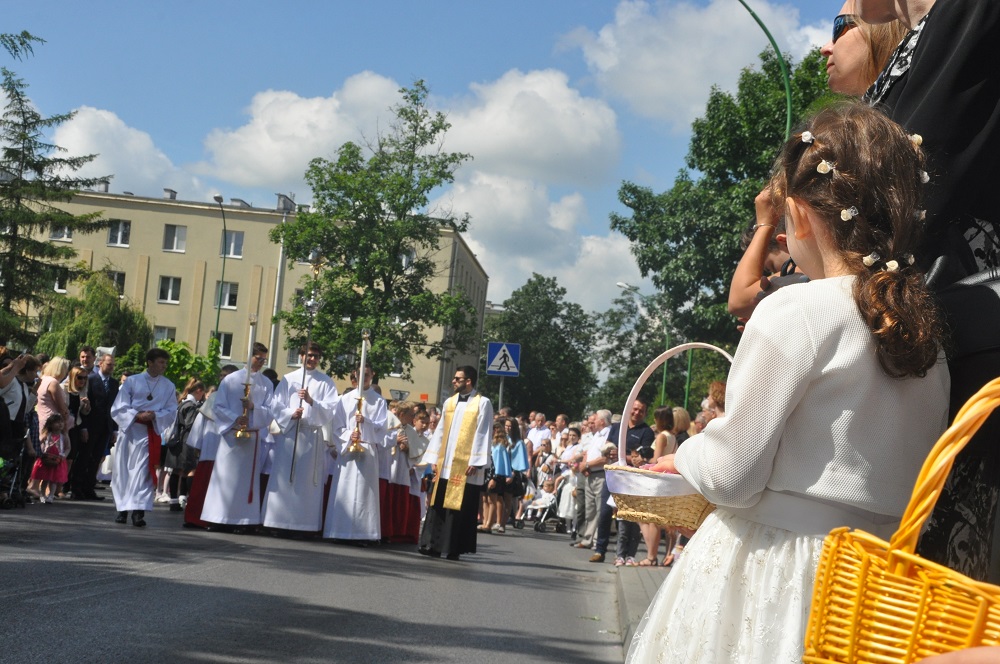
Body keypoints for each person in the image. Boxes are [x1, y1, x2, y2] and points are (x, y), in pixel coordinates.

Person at [627, 102, 951, 662]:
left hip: (779, 573)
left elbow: (732, 476)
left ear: (798, 216)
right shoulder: (924, 334)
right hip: (874, 591)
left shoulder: (796, 310)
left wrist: (686, 455)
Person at [858, 0, 1000, 583]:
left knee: (944, 586)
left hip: (960, 332)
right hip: (927, 333)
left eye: (839, 27)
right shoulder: (925, 38)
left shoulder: (965, 18)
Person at [262, 343, 338, 535]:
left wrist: (312, 401)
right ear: (302, 356)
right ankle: (277, 522)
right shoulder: (288, 379)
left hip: (311, 435)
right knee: (285, 478)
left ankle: (304, 525)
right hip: (290, 433)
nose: (312, 359)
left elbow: (331, 410)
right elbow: (275, 405)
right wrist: (290, 413)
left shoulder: (326, 382)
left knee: (306, 482)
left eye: (316, 356)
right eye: (309, 355)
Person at [418, 365, 493, 561]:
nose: (453, 381)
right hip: (445, 465)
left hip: (465, 466)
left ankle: (453, 547)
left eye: (457, 379)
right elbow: (440, 431)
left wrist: (476, 461)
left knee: (459, 507)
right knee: (439, 504)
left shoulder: (482, 403)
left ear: (468, 381)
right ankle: (432, 544)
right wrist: (434, 459)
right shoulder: (450, 402)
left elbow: (483, 432)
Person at [203, 343, 274, 532]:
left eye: (263, 359)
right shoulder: (230, 380)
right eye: (258, 358)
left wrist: (253, 409)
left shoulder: (266, 384)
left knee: (245, 480)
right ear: (249, 356)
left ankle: (243, 520)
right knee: (225, 477)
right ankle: (218, 518)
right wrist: (236, 418)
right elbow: (218, 407)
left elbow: (270, 411)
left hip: (252, 437)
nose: (260, 362)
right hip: (231, 436)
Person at [110, 347, 178, 527]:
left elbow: (171, 410)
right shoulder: (132, 381)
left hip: (150, 434)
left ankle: (138, 512)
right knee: (124, 471)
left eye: (165, 363)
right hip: (130, 431)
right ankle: (123, 510)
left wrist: (155, 415)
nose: (164, 366)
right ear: (150, 362)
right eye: (161, 362)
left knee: (143, 472)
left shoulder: (168, 385)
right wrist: (136, 415)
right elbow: (119, 406)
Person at [323, 366, 386, 543]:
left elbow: (382, 429)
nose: (363, 378)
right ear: (355, 376)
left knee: (366, 493)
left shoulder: (379, 401)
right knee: (345, 490)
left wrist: (366, 423)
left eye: (367, 375)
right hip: (348, 451)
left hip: (368, 451)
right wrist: (349, 435)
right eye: (360, 375)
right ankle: (339, 531)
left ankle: (364, 534)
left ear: (372, 375)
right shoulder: (344, 400)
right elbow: (337, 426)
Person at [183, 365, 237, 528]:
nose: (222, 378)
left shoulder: (238, 399)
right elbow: (201, 421)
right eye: (221, 375)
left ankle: (219, 520)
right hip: (211, 446)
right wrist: (197, 443)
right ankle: (196, 518)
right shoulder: (214, 397)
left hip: (230, 449)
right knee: (203, 485)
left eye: (226, 376)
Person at [162, 378, 205, 512]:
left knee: (176, 470)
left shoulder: (182, 402)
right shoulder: (191, 405)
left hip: (176, 441)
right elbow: (190, 423)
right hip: (186, 442)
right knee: (190, 470)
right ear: (199, 391)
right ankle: (186, 498)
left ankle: (174, 500)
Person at [28, 414, 69, 503]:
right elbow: (39, 442)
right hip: (46, 459)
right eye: (57, 422)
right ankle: (43, 495)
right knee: (45, 479)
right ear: (50, 424)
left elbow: (68, 447)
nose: (60, 424)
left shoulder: (64, 436)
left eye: (61, 422)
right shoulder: (47, 434)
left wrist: (64, 455)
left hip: (57, 460)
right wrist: (42, 451)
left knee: (54, 480)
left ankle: (51, 495)